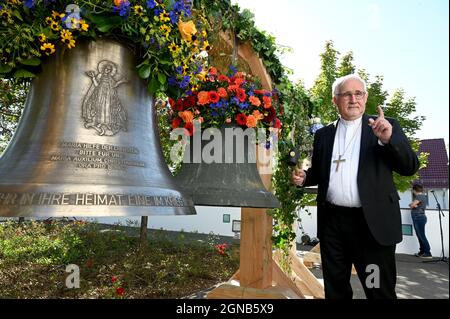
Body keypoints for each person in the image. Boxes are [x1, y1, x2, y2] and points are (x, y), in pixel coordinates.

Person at [291, 74, 419, 299]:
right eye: (346, 94)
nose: (353, 99)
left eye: (358, 93)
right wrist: (304, 178)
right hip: (333, 225)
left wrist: (389, 140)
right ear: (335, 100)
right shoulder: (323, 134)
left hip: (371, 226)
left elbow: (409, 167)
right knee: (336, 289)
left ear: (365, 97)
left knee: (376, 288)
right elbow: (321, 172)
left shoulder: (383, 127)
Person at [409, 184, 432, 258]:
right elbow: (413, 205)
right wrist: (413, 205)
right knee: (420, 235)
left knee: (421, 235)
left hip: (418, 217)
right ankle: (422, 251)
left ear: (414, 190)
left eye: (412, 190)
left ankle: (428, 253)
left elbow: (412, 205)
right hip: (419, 217)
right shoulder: (423, 196)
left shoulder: (419, 196)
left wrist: (413, 205)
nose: (412, 191)